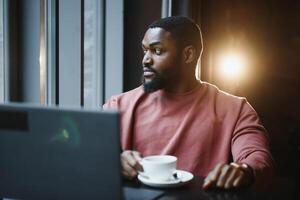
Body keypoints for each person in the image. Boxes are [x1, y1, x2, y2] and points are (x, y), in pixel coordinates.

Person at [103, 16, 274, 190]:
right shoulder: (118, 106)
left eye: (157, 51)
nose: (145, 59)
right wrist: (113, 161)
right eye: (145, 50)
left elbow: (258, 157)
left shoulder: (236, 109)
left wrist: (244, 170)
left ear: (188, 54)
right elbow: (89, 157)